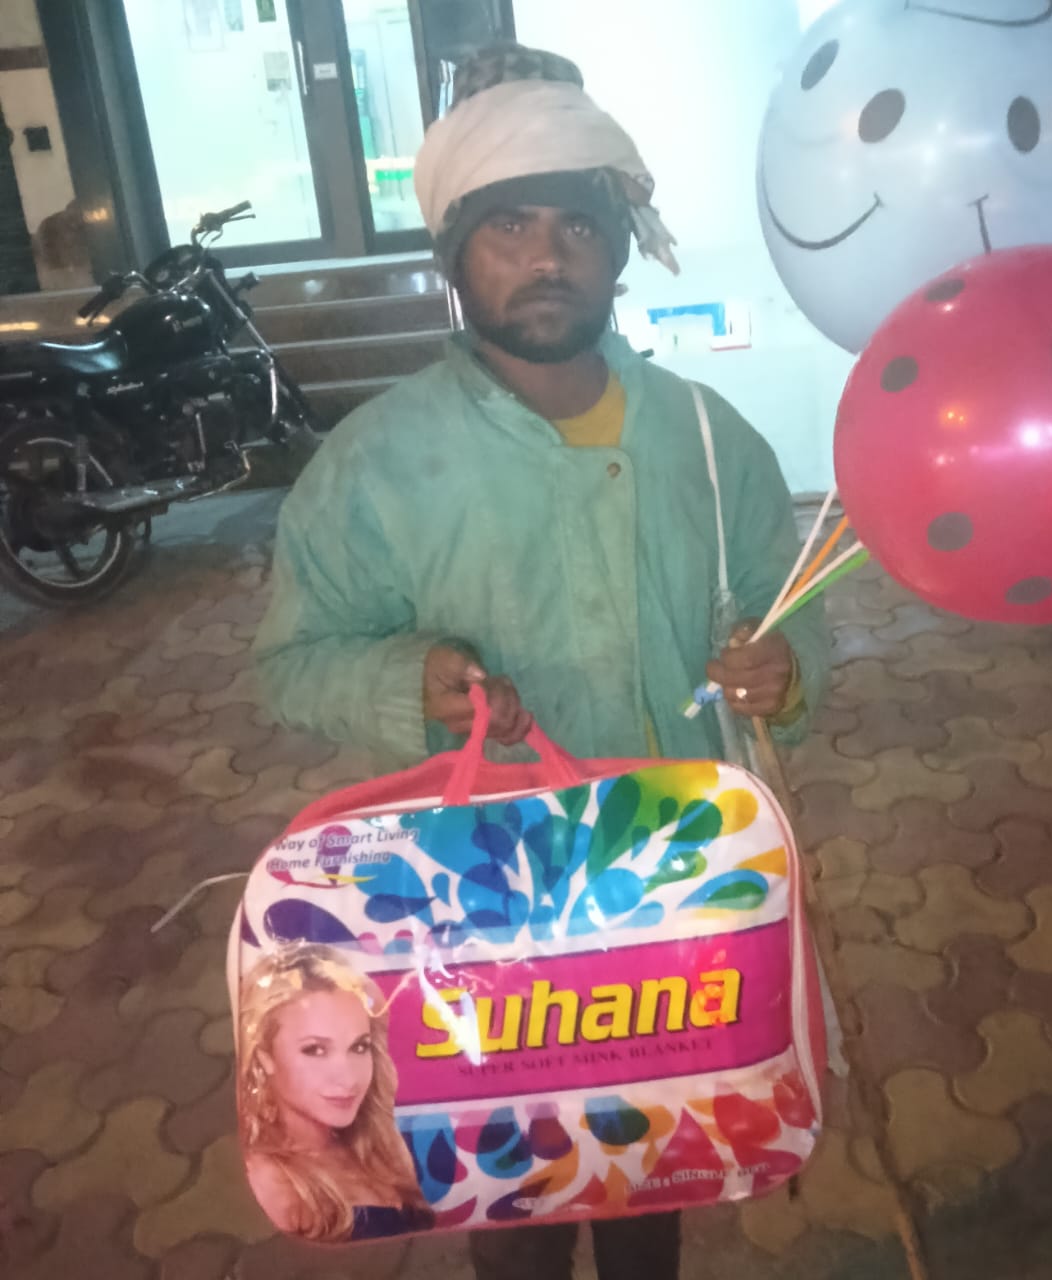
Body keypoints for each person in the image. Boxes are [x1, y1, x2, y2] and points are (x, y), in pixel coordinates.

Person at [253, 40, 830, 1280]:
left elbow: (789, 612)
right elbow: (293, 657)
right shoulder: (376, 463)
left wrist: (787, 668)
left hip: (666, 877)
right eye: (507, 226)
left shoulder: (706, 439)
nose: (546, 255)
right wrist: (401, 677)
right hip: (476, 908)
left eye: (575, 223)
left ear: (617, 244)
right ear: (454, 254)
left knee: (650, 1162)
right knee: (505, 1181)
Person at [238, 943, 432, 1243]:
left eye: (359, 1047)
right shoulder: (275, 1182)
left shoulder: (377, 1144)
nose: (348, 1078)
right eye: (315, 1050)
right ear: (265, 1056)